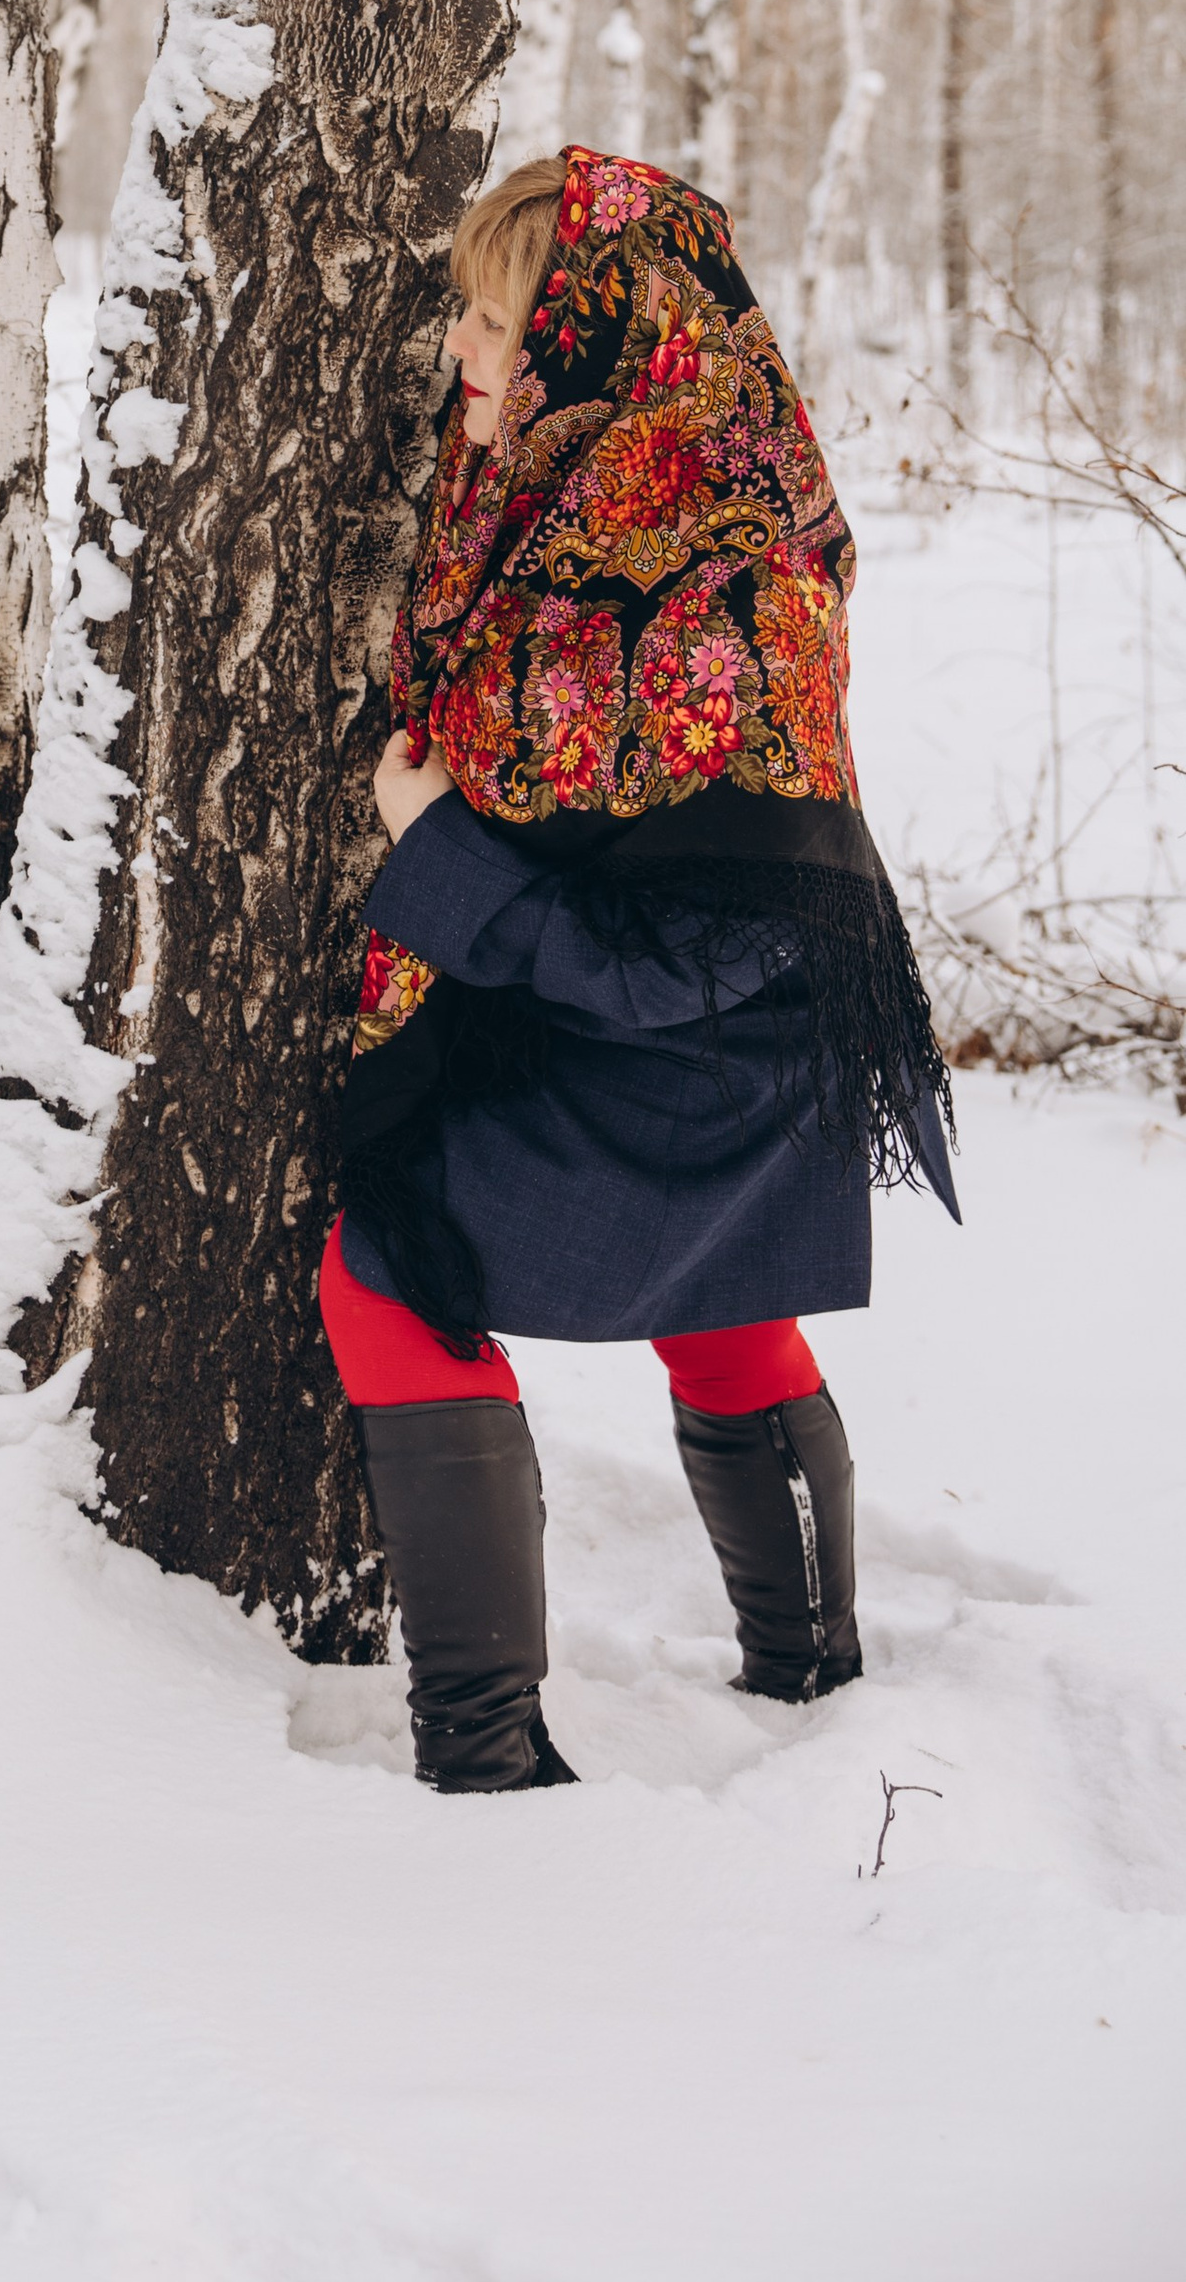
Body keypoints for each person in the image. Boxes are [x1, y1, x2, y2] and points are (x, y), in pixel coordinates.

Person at [326, 146, 959, 1792]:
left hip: (700, 1061)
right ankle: (810, 1680)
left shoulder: (741, 596)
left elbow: (706, 948)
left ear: (601, 347)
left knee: (387, 1277)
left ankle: (482, 1748)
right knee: (731, 1321)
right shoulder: (565, 491)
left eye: (487, 320)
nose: (455, 352)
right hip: (680, 1050)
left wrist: (437, 849)